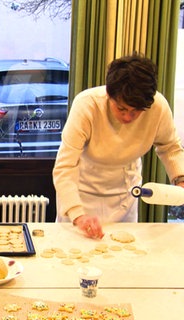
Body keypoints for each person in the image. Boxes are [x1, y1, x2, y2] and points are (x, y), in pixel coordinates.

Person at [53, 53, 184, 239]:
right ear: (109, 94)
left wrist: (180, 178)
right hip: (81, 193)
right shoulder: (87, 105)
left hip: (125, 196)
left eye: (136, 111)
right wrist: (77, 214)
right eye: (121, 109)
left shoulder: (158, 107)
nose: (128, 117)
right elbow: (65, 166)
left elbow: (170, 147)